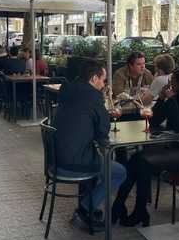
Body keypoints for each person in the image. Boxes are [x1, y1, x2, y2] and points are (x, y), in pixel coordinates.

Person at [111, 69, 179, 227]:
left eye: (172, 81)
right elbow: (154, 122)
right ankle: (128, 208)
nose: (169, 84)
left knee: (141, 161)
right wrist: (161, 100)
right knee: (138, 160)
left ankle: (130, 209)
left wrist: (171, 101)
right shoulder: (176, 98)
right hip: (175, 148)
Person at [54, 59, 126, 230]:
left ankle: (89, 207)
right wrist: (101, 106)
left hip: (56, 157)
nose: (104, 84)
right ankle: (85, 209)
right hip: (75, 161)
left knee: (99, 164)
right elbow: (103, 130)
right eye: (103, 80)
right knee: (118, 172)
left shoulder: (67, 89)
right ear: (94, 78)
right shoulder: (93, 96)